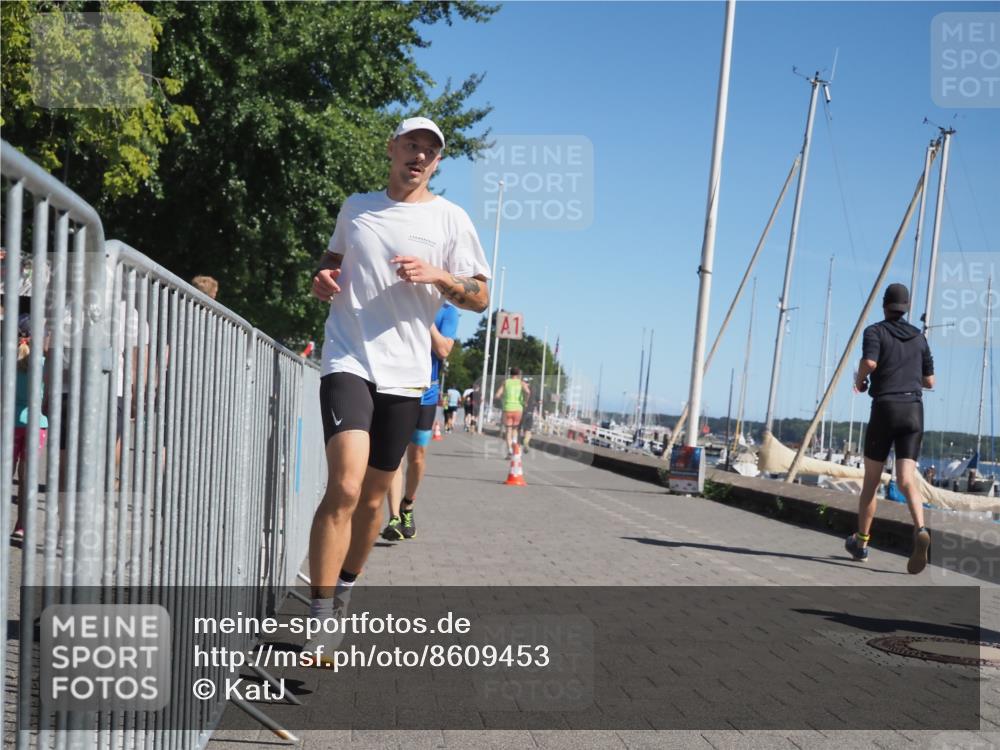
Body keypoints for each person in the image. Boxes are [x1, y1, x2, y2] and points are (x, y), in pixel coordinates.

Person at [306, 117, 490, 657]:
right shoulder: (356, 207)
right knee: (343, 485)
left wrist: (440, 277)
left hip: (407, 375)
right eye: (411, 145)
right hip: (348, 357)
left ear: (437, 163)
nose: (419, 156)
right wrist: (322, 279)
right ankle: (319, 614)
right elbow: (332, 261)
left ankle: (344, 589)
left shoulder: (450, 219)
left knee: (370, 503)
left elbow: (479, 296)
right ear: (392, 148)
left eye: (429, 151)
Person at [845, 283, 935, 574]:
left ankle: (861, 543)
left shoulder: (875, 331)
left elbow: (870, 362)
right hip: (914, 411)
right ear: (907, 307)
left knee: (871, 481)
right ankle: (921, 528)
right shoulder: (920, 338)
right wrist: (908, 376)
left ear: (885, 306)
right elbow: (930, 381)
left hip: (885, 409)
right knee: (907, 479)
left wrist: (860, 380)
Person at [381, 304, 459, 541]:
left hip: (427, 391)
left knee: (418, 456)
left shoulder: (447, 310)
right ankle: (394, 518)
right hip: (398, 386)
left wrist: (424, 317)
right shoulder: (401, 297)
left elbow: (444, 350)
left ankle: (408, 504)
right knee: (395, 455)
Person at [11, 315, 48, 542]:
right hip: (36, 424)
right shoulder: (44, 365)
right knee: (27, 478)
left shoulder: (6, 360)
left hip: (10, 423)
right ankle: (22, 525)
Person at [495, 367, 530, 457]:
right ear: (518, 374)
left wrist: (502, 399)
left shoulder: (506, 382)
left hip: (507, 408)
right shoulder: (521, 383)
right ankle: (514, 442)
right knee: (515, 429)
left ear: (510, 373)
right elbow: (528, 392)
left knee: (508, 430)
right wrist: (525, 401)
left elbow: (497, 395)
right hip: (518, 408)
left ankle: (510, 449)